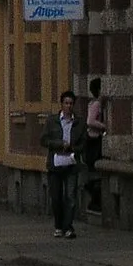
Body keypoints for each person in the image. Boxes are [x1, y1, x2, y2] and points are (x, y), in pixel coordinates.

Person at [40, 90, 83, 239]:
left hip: (71, 164)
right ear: (62, 104)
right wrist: (59, 144)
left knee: (70, 196)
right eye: (66, 103)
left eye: (71, 103)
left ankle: (68, 227)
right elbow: (44, 140)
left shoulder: (78, 123)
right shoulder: (52, 121)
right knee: (56, 197)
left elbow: (83, 144)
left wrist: (72, 147)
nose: (68, 106)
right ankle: (58, 226)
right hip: (55, 164)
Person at [82, 77, 107, 213]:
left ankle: (94, 199)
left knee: (93, 170)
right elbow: (90, 121)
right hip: (93, 139)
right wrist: (104, 126)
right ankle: (94, 200)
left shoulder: (93, 103)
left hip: (92, 139)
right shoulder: (96, 104)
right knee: (94, 170)